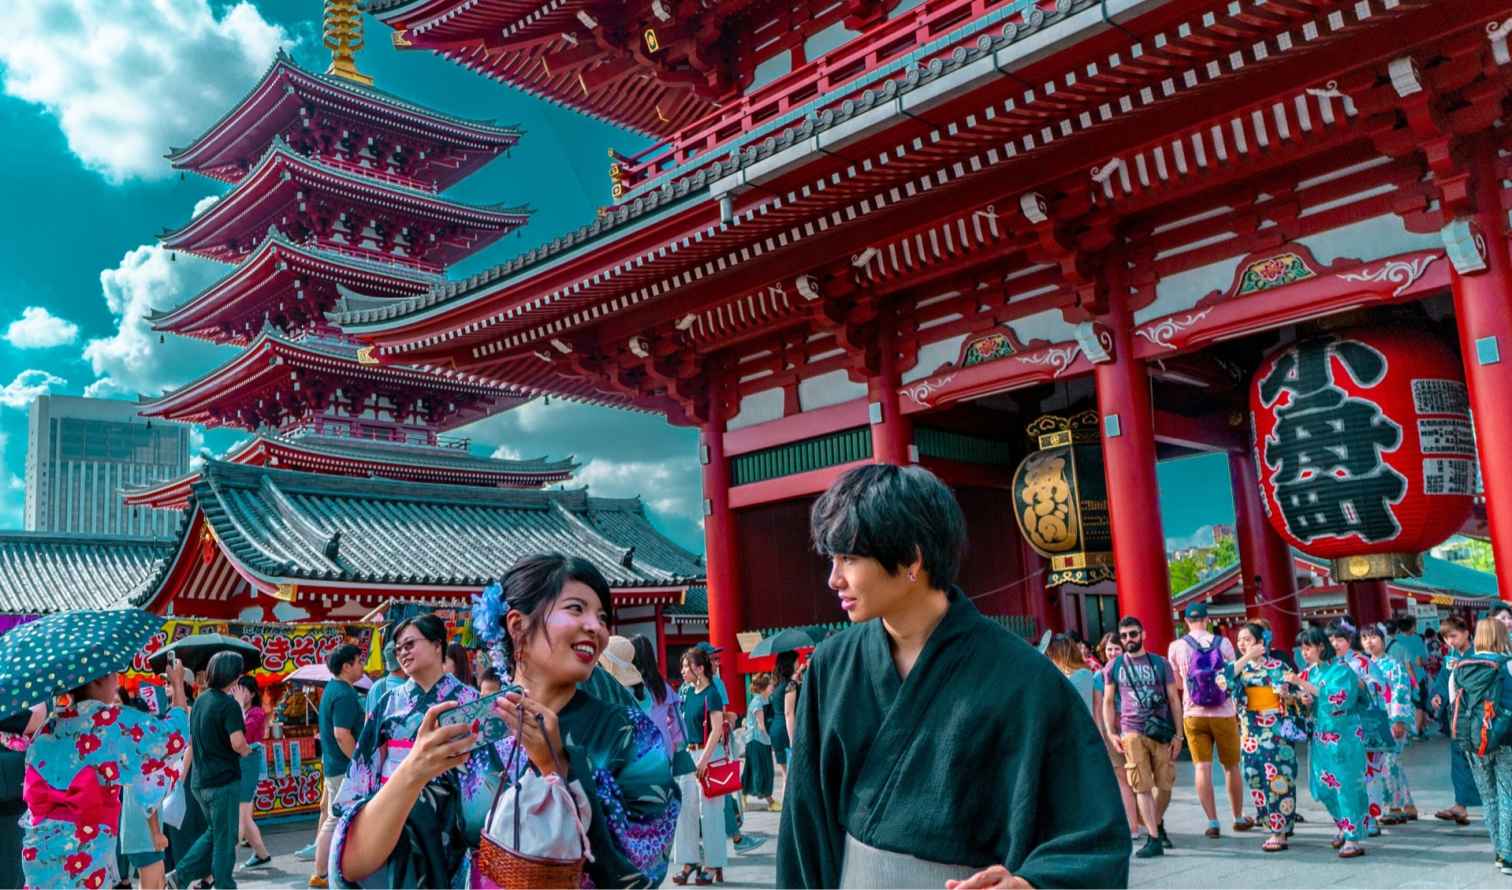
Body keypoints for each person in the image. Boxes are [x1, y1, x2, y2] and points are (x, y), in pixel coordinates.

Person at [779, 464, 1129, 888]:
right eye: (833, 559)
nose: (833, 579)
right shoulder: (832, 666)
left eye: (849, 559)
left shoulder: (1023, 678)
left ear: (911, 558)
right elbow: (803, 823)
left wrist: (1031, 883)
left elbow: (1091, 835)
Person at [332, 555, 678, 888]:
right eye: (576, 608)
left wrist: (559, 766)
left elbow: (646, 867)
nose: (596, 627)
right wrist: (413, 771)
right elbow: (361, 864)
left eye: (602, 617)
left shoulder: (629, 733)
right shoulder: (472, 730)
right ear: (517, 625)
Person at [23, 665, 187, 890]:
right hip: (85, 846)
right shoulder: (108, 722)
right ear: (97, 679)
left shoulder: (48, 727)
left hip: (40, 845)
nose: (117, 681)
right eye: (112, 674)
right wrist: (177, 685)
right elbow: (174, 738)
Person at [169, 652, 254, 890]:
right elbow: (237, 742)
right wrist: (248, 751)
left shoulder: (201, 700)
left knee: (215, 833)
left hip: (200, 781)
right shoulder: (228, 705)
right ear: (235, 676)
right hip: (223, 782)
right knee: (225, 840)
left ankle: (181, 877)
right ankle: (220, 883)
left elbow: (193, 740)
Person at [1167, 602, 1249, 838]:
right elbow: (1233, 674)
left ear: (1186, 622)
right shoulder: (1222, 643)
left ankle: (1212, 822)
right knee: (1231, 766)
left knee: (1202, 767)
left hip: (1193, 715)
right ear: (1207, 619)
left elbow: (1179, 684)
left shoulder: (1176, 646)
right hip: (1224, 713)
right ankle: (1238, 817)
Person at [1104, 616, 1183, 860]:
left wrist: (1179, 735)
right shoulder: (1114, 666)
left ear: (1143, 634)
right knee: (1141, 785)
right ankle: (1153, 837)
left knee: (1165, 785)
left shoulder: (1160, 663)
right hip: (1131, 730)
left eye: (1133, 634)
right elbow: (1108, 701)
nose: (1129, 639)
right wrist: (1111, 732)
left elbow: (1173, 699)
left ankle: (1155, 823)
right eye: (1124, 635)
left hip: (1159, 730)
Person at [1289, 625, 1370, 858]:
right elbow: (1313, 702)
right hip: (1321, 737)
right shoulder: (1310, 672)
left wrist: (1303, 685)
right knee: (1324, 787)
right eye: (1301, 649)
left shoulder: (1341, 670)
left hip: (1344, 736)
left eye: (1308, 648)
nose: (1304, 653)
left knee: (1345, 785)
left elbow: (1338, 700)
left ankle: (1353, 836)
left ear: (1321, 646)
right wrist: (1303, 699)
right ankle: (1344, 826)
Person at [1449, 618, 1512, 874]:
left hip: (1473, 741)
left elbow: (1454, 706)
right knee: (1507, 794)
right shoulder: (1507, 664)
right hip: (1505, 738)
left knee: (1489, 798)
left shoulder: (1459, 668)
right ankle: (1508, 855)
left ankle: (1499, 850)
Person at [1233, 622, 1300, 852]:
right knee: (1253, 777)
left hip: (1275, 732)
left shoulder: (1278, 665)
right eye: (1239, 640)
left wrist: (1286, 694)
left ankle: (1278, 831)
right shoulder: (1238, 668)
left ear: (1261, 642)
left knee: (1276, 779)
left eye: (1248, 639)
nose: (1242, 644)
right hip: (1250, 733)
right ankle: (1273, 822)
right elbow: (1222, 680)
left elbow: (1294, 693)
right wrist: (1246, 658)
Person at [1327, 620, 1393, 836]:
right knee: (1344, 775)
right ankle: (1348, 820)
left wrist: (1363, 685)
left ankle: (1372, 818)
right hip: (1338, 727)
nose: (1335, 644)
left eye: (1340, 639)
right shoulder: (1328, 665)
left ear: (1349, 641)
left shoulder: (1361, 662)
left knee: (1369, 773)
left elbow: (1380, 686)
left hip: (1364, 724)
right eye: (1331, 639)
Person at [671, 646, 730, 884]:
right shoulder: (685, 691)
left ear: (700, 668)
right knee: (686, 811)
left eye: (687, 666)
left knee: (711, 813)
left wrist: (704, 761)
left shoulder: (712, 693)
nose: (683, 670)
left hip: (709, 755)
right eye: (683, 666)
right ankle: (689, 860)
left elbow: (716, 729)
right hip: (688, 755)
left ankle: (712, 863)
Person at [310, 644, 366, 889]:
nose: (362, 666)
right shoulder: (343, 693)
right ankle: (321, 872)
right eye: (359, 661)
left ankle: (325, 870)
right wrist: (358, 761)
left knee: (337, 817)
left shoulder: (334, 689)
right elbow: (342, 734)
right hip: (343, 767)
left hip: (336, 764)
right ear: (346, 666)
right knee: (335, 818)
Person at [1360, 622, 1416, 825]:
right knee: (1387, 764)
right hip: (1373, 723)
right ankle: (1407, 804)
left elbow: (1401, 693)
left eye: (1373, 637)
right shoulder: (1364, 666)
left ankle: (1393, 806)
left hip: (1392, 720)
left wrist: (1399, 720)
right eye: (1365, 638)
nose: (1369, 642)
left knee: (1389, 763)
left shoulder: (1394, 665)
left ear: (1384, 640)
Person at [1091, 632, 1143, 843]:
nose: (1112, 653)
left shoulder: (1135, 671)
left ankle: (1143, 821)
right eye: (1109, 649)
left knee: (1139, 777)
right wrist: (1102, 735)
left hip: (1135, 729)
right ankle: (1132, 825)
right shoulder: (1099, 676)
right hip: (1114, 733)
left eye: (1116, 649)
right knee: (1123, 780)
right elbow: (1098, 709)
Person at [1431, 615, 1482, 825]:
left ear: (1466, 633)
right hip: (1457, 716)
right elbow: (1443, 680)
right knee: (1459, 760)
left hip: (1475, 716)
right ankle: (1460, 805)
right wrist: (1437, 696)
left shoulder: (1478, 654)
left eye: (1453, 636)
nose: (1450, 641)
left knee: (1481, 762)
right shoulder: (1451, 657)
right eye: (1446, 638)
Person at [231, 675, 272, 870]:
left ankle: (225, 864)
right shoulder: (237, 709)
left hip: (248, 763)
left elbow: (242, 735)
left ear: (253, 693)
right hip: (238, 763)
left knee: (240, 815)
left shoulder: (256, 713)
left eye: (243, 690)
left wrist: (238, 706)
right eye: (236, 688)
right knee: (245, 816)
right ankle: (262, 854)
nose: (238, 692)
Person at [1388, 615, 1430, 742]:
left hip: (1398, 679)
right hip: (1415, 677)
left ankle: (1410, 731)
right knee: (1419, 705)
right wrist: (1425, 663)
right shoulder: (1416, 639)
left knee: (1404, 705)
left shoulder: (1394, 641)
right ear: (1412, 626)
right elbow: (1418, 662)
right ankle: (1417, 731)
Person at [742, 673, 776, 810]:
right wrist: (773, 741)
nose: (773, 687)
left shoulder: (765, 700)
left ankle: (744, 795)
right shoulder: (758, 702)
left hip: (759, 740)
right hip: (757, 741)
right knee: (761, 770)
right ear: (763, 688)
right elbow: (762, 726)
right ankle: (770, 802)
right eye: (770, 685)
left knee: (754, 769)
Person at [768, 651, 796, 811]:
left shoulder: (776, 685)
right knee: (791, 774)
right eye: (796, 662)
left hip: (776, 730)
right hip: (787, 730)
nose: (798, 664)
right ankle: (791, 809)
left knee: (786, 774)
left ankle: (787, 808)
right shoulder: (790, 686)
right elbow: (789, 713)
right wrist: (793, 740)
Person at [1047, 634, 1096, 714]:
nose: (1050, 659)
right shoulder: (1084, 672)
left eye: (1051, 655)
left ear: (1058, 655)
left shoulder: (1080, 675)